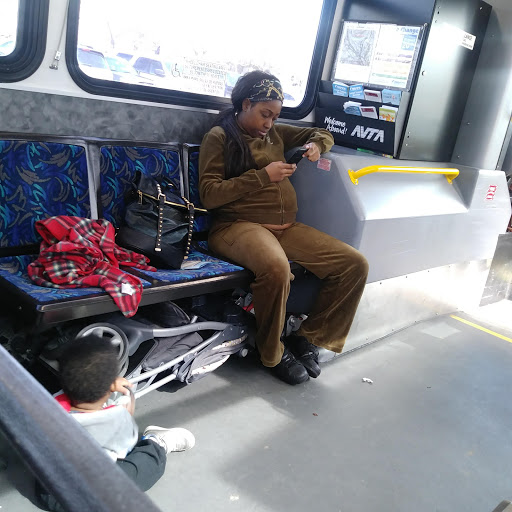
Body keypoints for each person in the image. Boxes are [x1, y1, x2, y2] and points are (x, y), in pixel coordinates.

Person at [199, 70, 369, 385]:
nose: (269, 123)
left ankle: (308, 337)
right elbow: (209, 195)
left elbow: (322, 132)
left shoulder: (275, 135)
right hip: (236, 226)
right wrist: (263, 176)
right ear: (246, 104)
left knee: (353, 264)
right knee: (277, 268)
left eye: (275, 117)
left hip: (284, 228)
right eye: (265, 114)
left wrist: (317, 145)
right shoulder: (220, 137)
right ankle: (272, 353)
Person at [35, 334, 195, 511]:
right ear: (110, 387)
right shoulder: (115, 424)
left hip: (51, 492)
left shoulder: (48, 404)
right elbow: (125, 447)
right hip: (88, 493)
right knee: (138, 474)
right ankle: (157, 443)